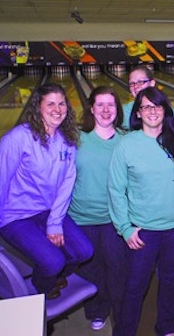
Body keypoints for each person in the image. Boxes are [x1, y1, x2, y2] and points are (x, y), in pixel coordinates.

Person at [0, 82, 93, 300]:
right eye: (50, 104)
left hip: (47, 211)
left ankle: (52, 277)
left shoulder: (67, 141)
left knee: (84, 251)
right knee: (53, 261)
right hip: (15, 216)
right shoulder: (17, 139)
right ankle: (42, 288)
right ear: (38, 107)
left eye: (61, 104)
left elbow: (67, 185)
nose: (57, 109)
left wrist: (55, 222)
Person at [108, 86, 174, 336]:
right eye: (146, 107)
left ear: (165, 110)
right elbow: (116, 190)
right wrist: (125, 228)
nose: (152, 111)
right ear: (138, 113)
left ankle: (166, 327)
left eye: (157, 105)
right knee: (135, 286)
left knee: (169, 281)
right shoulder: (127, 145)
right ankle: (124, 332)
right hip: (144, 233)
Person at [67, 86, 129, 331]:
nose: (105, 110)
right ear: (91, 109)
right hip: (82, 217)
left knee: (118, 266)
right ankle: (97, 310)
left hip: (116, 218)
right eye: (100, 105)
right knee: (92, 268)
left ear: (118, 110)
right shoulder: (76, 139)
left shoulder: (127, 139)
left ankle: (121, 309)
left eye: (110, 105)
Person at [124, 65, 174, 129]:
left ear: (152, 83)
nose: (136, 87)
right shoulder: (123, 112)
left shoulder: (166, 109)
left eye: (141, 82)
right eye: (132, 83)